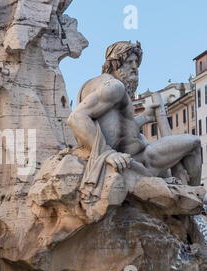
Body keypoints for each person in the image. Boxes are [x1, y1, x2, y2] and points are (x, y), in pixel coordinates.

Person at [68, 41, 201, 188]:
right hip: (144, 159)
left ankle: (187, 195)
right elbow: (76, 118)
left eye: (136, 62)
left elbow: (116, 131)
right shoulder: (114, 87)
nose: (135, 67)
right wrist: (108, 153)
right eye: (129, 62)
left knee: (175, 168)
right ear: (115, 64)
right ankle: (195, 197)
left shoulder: (99, 85)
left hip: (138, 155)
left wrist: (144, 117)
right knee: (194, 143)